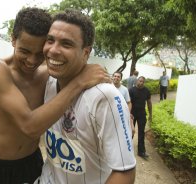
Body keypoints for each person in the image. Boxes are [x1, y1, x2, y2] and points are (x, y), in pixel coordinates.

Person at [0, 7, 109, 184]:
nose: (32, 61)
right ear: (13, 39)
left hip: (31, 163)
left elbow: (92, 72)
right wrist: (79, 82)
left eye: (39, 53)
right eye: (25, 51)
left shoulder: (48, 72)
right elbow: (29, 126)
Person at [36, 9, 136, 184]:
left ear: (85, 53)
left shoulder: (105, 96)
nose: (53, 50)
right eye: (50, 40)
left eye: (66, 44)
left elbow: (125, 172)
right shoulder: (48, 81)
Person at [129, 76, 152, 159]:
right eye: (140, 81)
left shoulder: (147, 91)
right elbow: (128, 102)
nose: (141, 83)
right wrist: (128, 113)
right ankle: (127, 150)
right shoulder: (131, 90)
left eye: (142, 81)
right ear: (137, 81)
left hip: (142, 114)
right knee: (130, 131)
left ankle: (141, 152)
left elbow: (149, 103)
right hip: (132, 114)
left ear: (144, 82)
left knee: (141, 132)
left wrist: (150, 114)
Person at [112, 71, 135, 138]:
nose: (116, 78)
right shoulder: (108, 87)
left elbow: (129, 102)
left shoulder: (124, 89)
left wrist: (128, 113)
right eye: (115, 76)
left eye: (118, 77)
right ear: (112, 77)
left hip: (120, 114)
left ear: (121, 79)